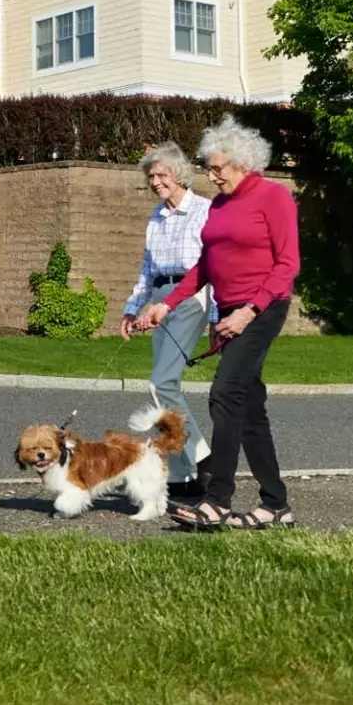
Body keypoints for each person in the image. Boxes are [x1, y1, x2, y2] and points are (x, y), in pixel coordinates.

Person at [136, 116, 300, 529]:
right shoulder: (222, 206)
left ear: (243, 163)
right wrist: (166, 304)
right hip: (229, 311)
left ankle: (216, 501)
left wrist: (250, 311)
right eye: (208, 168)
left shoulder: (273, 197)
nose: (210, 176)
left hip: (261, 308)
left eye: (217, 168)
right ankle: (276, 505)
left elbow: (287, 265)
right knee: (250, 408)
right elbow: (204, 267)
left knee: (224, 395)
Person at [119, 142, 213, 501]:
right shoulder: (155, 217)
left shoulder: (204, 211)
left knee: (162, 382)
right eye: (151, 176)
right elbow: (146, 270)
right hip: (158, 299)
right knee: (161, 385)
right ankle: (179, 474)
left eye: (162, 174)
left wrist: (217, 314)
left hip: (191, 296)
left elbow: (212, 267)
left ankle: (205, 459)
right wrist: (132, 309)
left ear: (180, 175)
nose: (156, 181)